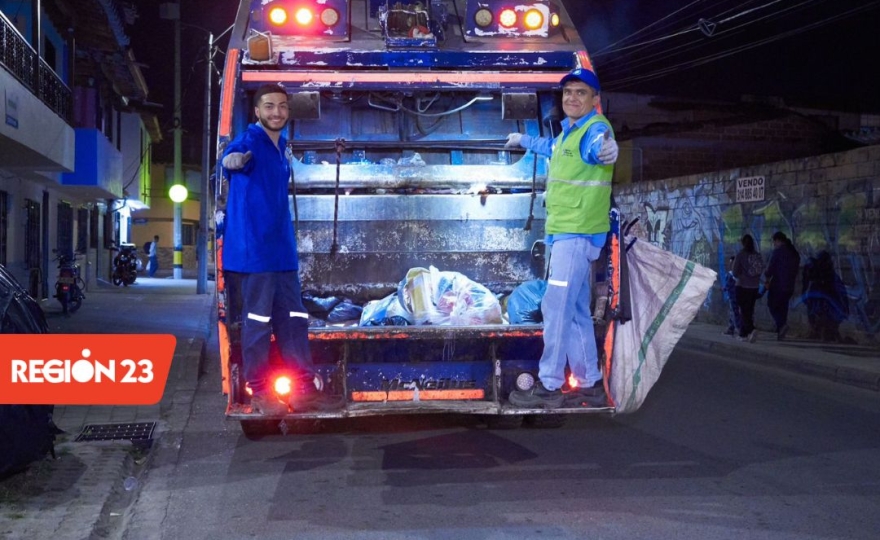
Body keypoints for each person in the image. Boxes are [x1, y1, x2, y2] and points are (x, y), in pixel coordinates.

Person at [221, 83, 344, 415]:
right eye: (269, 106)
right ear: (257, 111)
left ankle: (303, 390)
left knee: (294, 319)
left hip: (282, 252)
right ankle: (261, 392)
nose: (277, 112)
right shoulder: (250, 142)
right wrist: (231, 161)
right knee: (258, 322)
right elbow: (230, 159)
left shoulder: (282, 146)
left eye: (282, 106)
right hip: (256, 254)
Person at [504, 67, 620, 409]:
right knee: (576, 310)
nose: (572, 97)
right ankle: (589, 383)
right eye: (568, 92)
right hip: (570, 236)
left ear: (595, 99)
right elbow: (551, 147)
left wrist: (608, 149)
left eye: (581, 92)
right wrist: (523, 140)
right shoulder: (570, 132)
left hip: (576, 234)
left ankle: (550, 384)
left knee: (555, 308)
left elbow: (600, 147)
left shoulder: (594, 130)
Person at [802, 250, 849, 342]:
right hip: (827, 310)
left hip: (828, 310)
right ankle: (823, 331)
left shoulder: (829, 278)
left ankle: (825, 332)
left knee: (824, 318)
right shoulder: (826, 278)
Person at [763, 231, 800, 340]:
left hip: (778, 285)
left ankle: (782, 325)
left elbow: (771, 268)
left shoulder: (778, 252)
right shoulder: (793, 252)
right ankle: (781, 332)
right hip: (790, 285)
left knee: (772, 305)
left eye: (774, 242)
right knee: (783, 308)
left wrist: (766, 276)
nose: (774, 244)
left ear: (778, 240)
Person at [732, 234, 764, 342]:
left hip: (742, 286)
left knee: (743, 310)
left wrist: (741, 275)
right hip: (754, 286)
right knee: (749, 310)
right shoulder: (757, 255)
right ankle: (743, 334)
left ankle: (751, 329)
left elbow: (734, 272)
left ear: (743, 243)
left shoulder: (741, 255)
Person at [722, 256, 741, 336]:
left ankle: (737, 328)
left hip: (733, 296)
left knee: (734, 312)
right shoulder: (738, 274)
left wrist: (724, 288)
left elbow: (728, 285)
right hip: (736, 296)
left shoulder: (731, 274)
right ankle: (732, 328)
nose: (730, 264)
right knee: (734, 312)